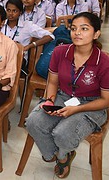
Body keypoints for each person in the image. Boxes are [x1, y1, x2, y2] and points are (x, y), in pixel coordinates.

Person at [25, 12, 109, 179]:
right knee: (33, 122)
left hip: (92, 105)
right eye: (74, 28)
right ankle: (60, 156)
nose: (77, 33)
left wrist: (75, 110)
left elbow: (106, 101)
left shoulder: (104, 62)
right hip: (63, 96)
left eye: (84, 29)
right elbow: (53, 82)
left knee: (62, 134)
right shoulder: (60, 52)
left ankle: (62, 155)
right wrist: (49, 100)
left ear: (96, 34)